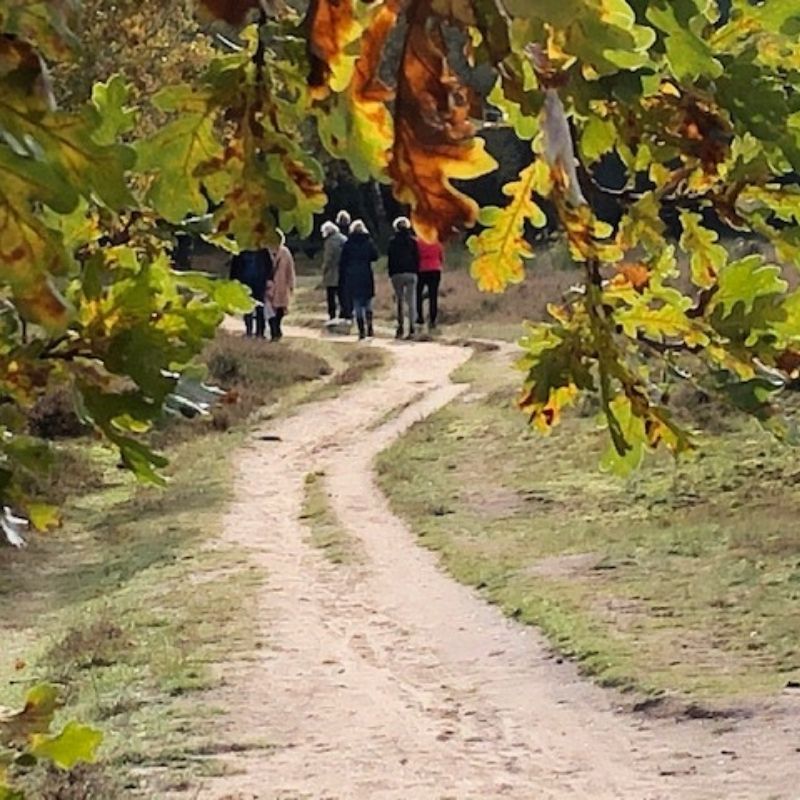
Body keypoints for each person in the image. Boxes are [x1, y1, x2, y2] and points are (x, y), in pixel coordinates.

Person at [339, 219, 378, 340]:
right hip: (366, 274)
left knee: (357, 303)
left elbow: (342, 262)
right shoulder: (368, 242)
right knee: (368, 301)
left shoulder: (348, 244)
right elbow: (375, 256)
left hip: (352, 275)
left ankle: (361, 330)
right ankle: (370, 326)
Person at [387, 216, 419, 339]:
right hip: (411, 273)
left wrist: (391, 273)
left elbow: (390, 259)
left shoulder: (392, 241)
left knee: (399, 301)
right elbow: (417, 258)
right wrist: (416, 271)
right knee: (411, 301)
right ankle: (412, 327)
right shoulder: (413, 241)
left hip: (397, 274)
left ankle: (400, 327)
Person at [229, 249, 273, 337]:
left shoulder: (262, 251)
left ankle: (259, 331)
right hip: (248, 283)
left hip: (257, 282)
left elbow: (269, 265)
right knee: (249, 307)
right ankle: (251, 330)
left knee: (258, 307)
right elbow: (235, 267)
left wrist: (269, 278)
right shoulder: (242, 251)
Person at [267, 231, 296, 342]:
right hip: (269, 286)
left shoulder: (285, 252)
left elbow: (290, 269)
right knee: (269, 310)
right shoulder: (266, 251)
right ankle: (274, 331)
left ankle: (277, 328)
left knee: (280, 310)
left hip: (281, 285)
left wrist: (291, 284)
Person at [416, 235, 444, 330]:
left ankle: (420, 317)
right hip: (435, 269)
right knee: (433, 295)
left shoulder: (418, 242)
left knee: (418, 294)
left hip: (422, 269)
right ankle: (433, 318)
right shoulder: (436, 242)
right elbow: (441, 256)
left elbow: (416, 256)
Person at [320, 220, 346, 321]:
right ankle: (343, 313)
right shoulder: (343, 238)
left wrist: (324, 269)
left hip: (332, 272)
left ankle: (332, 315)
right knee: (342, 294)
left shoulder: (329, 242)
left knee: (331, 295)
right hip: (343, 270)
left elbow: (328, 258)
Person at [334, 210, 353, 320]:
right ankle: (349, 309)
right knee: (349, 289)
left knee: (341, 290)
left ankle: (344, 310)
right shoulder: (351, 233)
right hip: (350, 265)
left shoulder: (337, 234)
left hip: (341, 265)